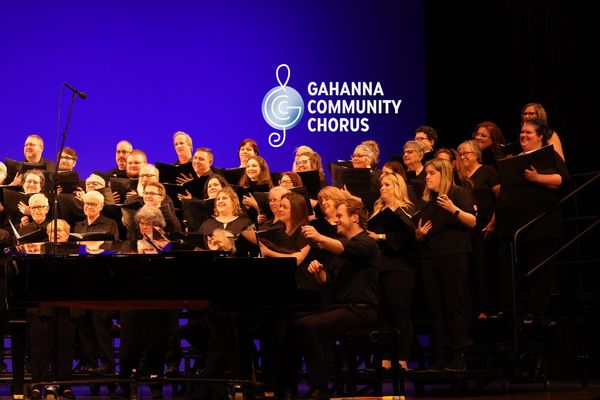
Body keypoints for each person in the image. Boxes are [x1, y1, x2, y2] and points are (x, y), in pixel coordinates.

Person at [295, 198, 380, 400]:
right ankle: (320, 380)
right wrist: (319, 272)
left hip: (362, 310)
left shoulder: (368, 242)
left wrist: (318, 237)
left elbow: (345, 248)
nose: (336, 221)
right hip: (345, 308)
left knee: (308, 327)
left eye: (340, 216)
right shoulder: (340, 249)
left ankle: (320, 388)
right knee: (301, 323)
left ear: (355, 217)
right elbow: (329, 281)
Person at [493, 118, 569, 319]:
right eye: (522, 132)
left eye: (528, 133)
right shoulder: (516, 157)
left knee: (538, 273)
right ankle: (515, 314)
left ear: (540, 137)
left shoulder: (549, 154)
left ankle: (539, 316)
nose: (523, 135)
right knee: (513, 273)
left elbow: (563, 179)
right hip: (513, 227)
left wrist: (537, 178)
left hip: (538, 225)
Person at [414, 158, 476, 371]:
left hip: (453, 255)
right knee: (435, 307)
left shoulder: (458, 193)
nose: (427, 177)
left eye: (432, 173)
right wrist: (419, 235)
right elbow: (421, 230)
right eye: (427, 173)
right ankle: (441, 353)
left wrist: (453, 209)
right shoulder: (426, 200)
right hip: (430, 257)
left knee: (453, 304)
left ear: (444, 174)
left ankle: (460, 352)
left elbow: (473, 221)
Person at [113, 206, 172, 400]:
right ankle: (124, 385)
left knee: (156, 343)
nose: (146, 227)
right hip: (132, 301)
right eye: (143, 223)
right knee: (128, 345)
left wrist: (159, 247)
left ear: (159, 225)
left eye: (150, 224)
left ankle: (156, 385)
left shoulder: (167, 246)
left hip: (157, 301)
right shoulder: (130, 245)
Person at [367, 173, 416, 371]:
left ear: (398, 187)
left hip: (399, 267)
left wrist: (382, 236)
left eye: (387, 184)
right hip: (380, 266)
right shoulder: (377, 210)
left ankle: (402, 358)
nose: (383, 188)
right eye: (381, 185)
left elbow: (407, 239)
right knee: (382, 314)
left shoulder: (406, 210)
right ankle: (385, 359)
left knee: (399, 311)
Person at [28, 217, 78, 400]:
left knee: (65, 346)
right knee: (39, 346)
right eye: (51, 231)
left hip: (67, 306)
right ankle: (37, 384)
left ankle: (64, 385)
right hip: (43, 306)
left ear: (67, 234)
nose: (55, 234)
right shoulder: (39, 251)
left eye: (59, 231)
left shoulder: (75, 252)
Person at [457, 140, 500, 318]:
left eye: (467, 153)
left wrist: (494, 221)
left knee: (484, 267)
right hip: (467, 230)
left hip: (486, 226)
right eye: (460, 154)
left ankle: (487, 308)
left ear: (477, 154)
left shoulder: (487, 171)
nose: (463, 156)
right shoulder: (459, 177)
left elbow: (500, 196)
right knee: (470, 270)